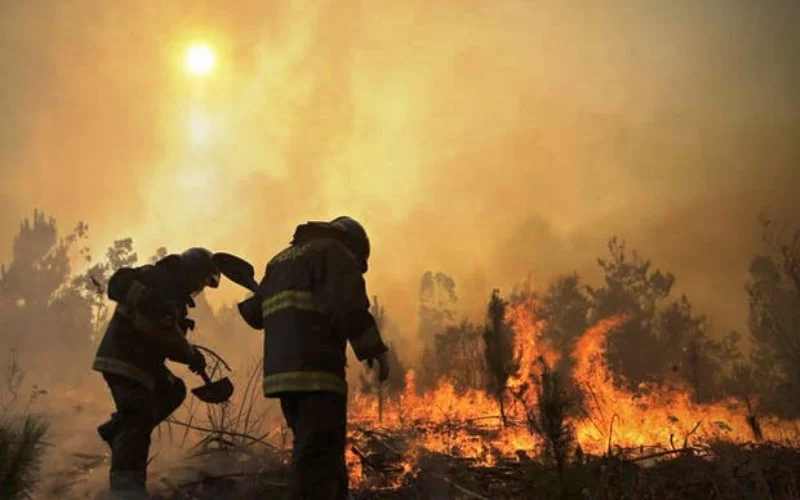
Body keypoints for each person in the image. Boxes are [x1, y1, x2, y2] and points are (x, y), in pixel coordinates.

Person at [238, 216, 390, 499]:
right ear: (354, 245)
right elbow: (349, 305)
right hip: (317, 373)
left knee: (320, 452)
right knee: (315, 462)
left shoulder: (279, 261)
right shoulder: (334, 251)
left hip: (282, 379)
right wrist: (374, 349)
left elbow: (254, 315)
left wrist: (259, 289)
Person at [92, 247, 222, 498]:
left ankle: (117, 428)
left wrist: (187, 348)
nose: (198, 288)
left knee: (173, 390)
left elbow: (166, 333)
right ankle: (126, 490)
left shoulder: (172, 292)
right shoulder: (158, 279)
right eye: (199, 282)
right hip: (124, 359)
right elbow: (162, 330)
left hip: (144, 364)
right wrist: (190, 355)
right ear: (190, 272)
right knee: (137, 420)